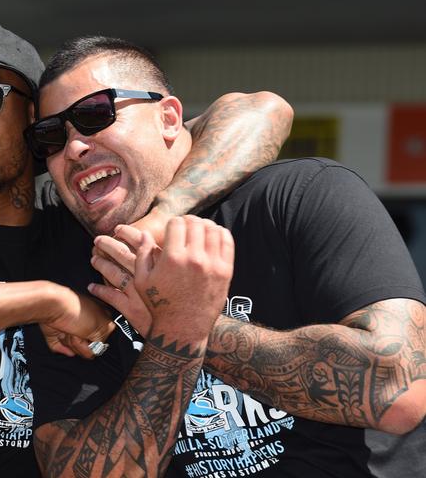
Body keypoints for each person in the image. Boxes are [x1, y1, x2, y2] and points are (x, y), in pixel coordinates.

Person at [0, 18, 292, 477]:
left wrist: (165, 214)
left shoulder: (80, 212)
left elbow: (261, 110)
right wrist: (52, 302)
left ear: (33, 120)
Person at [22, 35, 426, 477]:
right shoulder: (70, 266)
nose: (74, 147)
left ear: (171, 118)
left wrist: (187, 324)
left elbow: (398, 392)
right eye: (51, 136)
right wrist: (173, 339)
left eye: (96, 114)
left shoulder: (300, 196)